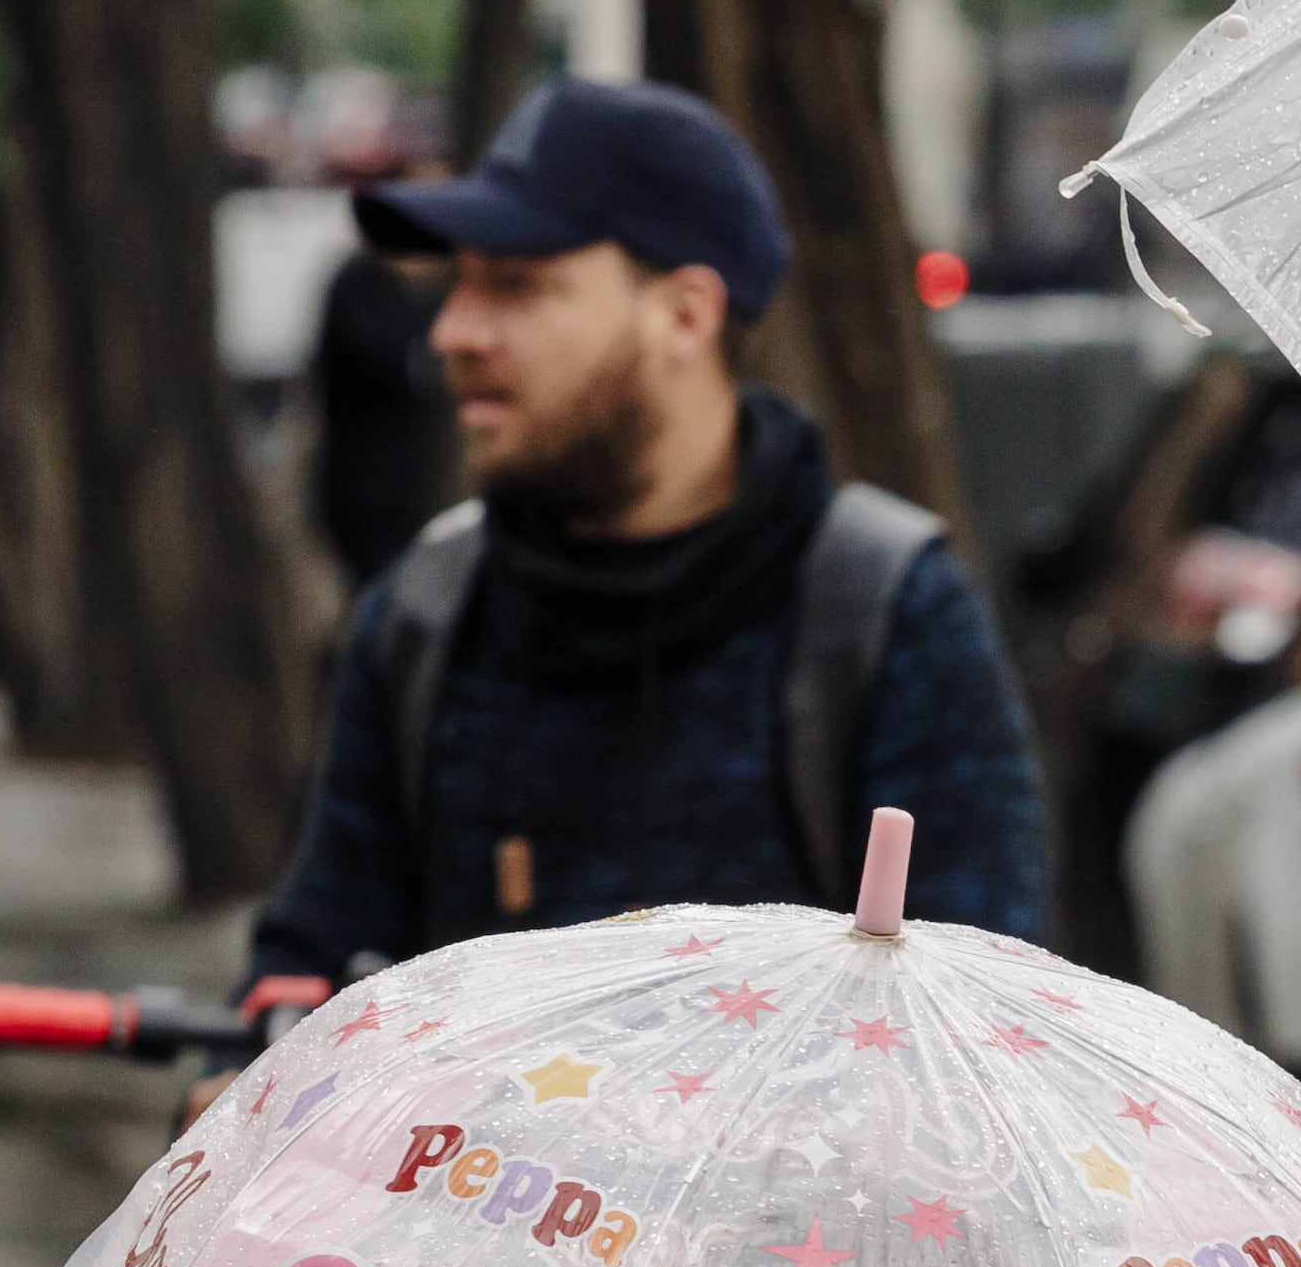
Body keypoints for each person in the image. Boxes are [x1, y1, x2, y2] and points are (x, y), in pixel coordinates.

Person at [246, 77, 1052, 991]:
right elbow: (306, 961)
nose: (454, 330)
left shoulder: (885, 613)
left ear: (684, 316)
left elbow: (987, 1017)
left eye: (517, 285)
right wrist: (247, 1070)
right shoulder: (425, 613)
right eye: (458, 282)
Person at [304, 163, 460, 591]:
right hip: (363, 493)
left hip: (414, 489)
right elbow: (392, 364)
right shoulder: (360, 284)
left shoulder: (437, 292)